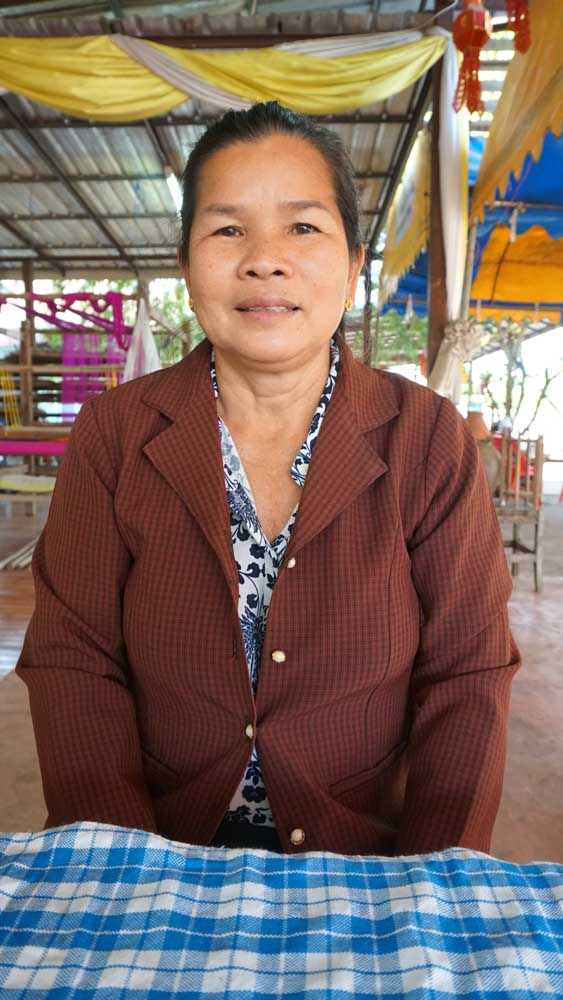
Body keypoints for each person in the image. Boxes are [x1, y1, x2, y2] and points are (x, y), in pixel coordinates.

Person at [16, 102, 520, 856]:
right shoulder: (114, 433)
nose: (264, 259)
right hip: (161, 845)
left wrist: (434, 872)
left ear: (352, 267)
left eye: (302, 227)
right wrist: (123, 864)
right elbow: (73, 656)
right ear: (187, 268)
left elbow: (467, 671)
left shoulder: (427, 438)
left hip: (363, 855)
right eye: (228, 230)